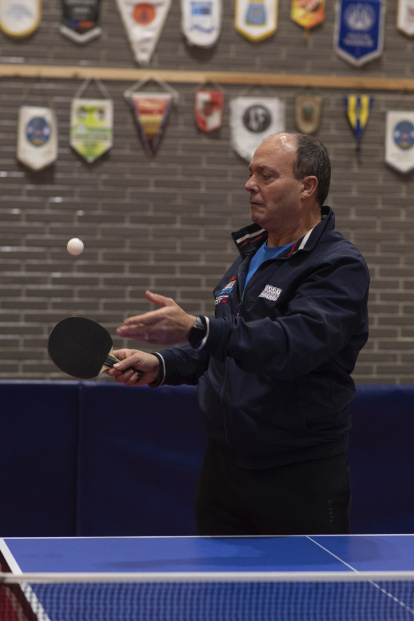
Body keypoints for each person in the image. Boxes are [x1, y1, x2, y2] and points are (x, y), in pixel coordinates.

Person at [107, 132, 370, 536]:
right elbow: (226, 349)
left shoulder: (337, 265)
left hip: (300, 474)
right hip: (224, 470)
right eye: (251, 174)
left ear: (307, 187)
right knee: (219, 596)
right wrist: (161, 364)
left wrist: (198, 327)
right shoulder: (248, 258)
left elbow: (291, 345)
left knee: (307, 599)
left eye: (266, 175)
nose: (250, 185)